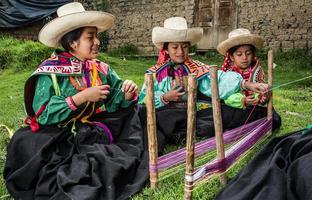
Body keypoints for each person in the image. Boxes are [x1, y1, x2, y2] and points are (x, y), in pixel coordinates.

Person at [4, 3, 148, 200]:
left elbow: (114, 97)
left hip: (88, 129)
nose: (97, 41)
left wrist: (127, 93)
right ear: (73, 42)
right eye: (90, 37)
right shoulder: (51, 72)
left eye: (96, 36)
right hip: (54, 135)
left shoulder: (100, 69)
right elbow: (43, 113)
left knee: (136, 113)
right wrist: (82, 97)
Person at [138, 17, 270, 153]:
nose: (180, 52)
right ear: (166, 49)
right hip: (167, 114)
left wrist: (248, 85)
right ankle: (179, 132)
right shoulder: (155, 73)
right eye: (175, 47)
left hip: (192, 114)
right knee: (150, 116)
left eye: (184, 47)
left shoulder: (196, 67)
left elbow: (219, 79)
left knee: (219, 116)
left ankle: (182, 132)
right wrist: (165, 97)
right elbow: (144, 98)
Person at [217, 28, 281, 129]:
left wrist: (261, 97)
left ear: (253, 54)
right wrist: (243, 100)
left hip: (255, 108)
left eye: (248, 53)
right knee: (229, 116)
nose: (244, 58)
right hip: (235, 107)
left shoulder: (257, 70)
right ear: (232, 57)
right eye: (239, 54)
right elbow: (227, 97)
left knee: (275, 120)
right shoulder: (229, 74)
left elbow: (260, 89)